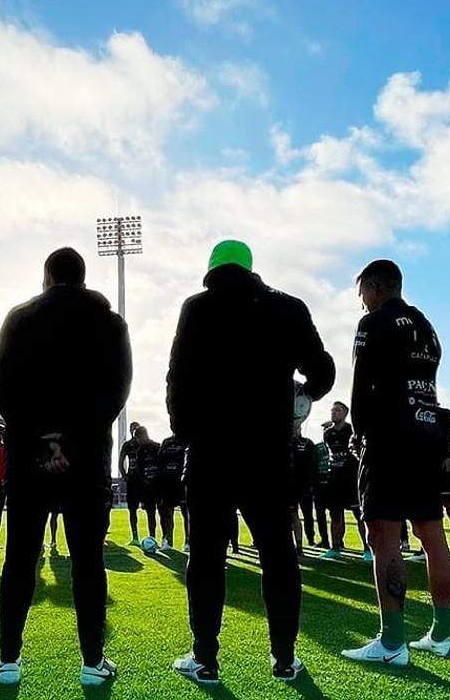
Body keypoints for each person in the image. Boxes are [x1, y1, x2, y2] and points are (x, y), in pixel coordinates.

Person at [168, 240, 334, 684]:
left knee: (206, 558)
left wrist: (186, 432)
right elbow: (322, 370)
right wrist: (304, 397)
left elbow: (177, 377)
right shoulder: (288, 308)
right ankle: (285, 659)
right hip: (267, 454)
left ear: (212, 268)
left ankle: (205, 658)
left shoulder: (196, 308)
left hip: (210, 453)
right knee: (278, 557)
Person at [0, 247, 132, 687]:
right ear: (83, 278)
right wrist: (70, 440)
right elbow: (117, 391)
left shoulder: (19, 318)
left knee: (20, 558)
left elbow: (4, 388)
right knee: (88, 561)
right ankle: (93, 662)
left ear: (48, 276)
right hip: (86, 456)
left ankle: (9, 660)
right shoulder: (110, 323)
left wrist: (44, 439)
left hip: (28, 455)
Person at [340, 259, 450, 665]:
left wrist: (358, 433)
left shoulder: (374, 322)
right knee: (432, 535)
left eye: (362, 294)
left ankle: (392, 644)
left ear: (375, 287)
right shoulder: (427, 326)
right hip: (427, 434)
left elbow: (360, 383)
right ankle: (441, 636)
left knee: (384, 537)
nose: (361, 302)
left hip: (389, 437)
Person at [407, 409, 450, 566]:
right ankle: (425, 548)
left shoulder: (443, 415)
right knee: (421, 512)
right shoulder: (411, 412)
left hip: (441, 470)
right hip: (420, 472)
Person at [320, 404, 368, 561]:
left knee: (359, 515)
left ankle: (368, 549)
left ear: (345, 414)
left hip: (351, 479)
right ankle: (335, 548)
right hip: (335, 479)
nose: (334, 413)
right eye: (332, 410)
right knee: (335, 514)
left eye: (338, 410)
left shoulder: (351, 431)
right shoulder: (328, 433)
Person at [121, 423, 157, 545]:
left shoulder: (149, 445)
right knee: (132, 509)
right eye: (132, 429)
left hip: (147, 481)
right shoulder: (128, 445)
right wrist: (124, 475)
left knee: (150, 510)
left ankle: (152, 537)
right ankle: (135, 537)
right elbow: (121, 460)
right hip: (133, 480)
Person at [156, 434, 190, 552]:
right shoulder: (166, 442)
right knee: (167, 514)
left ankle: (188, 542)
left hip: (182, 483)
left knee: (186, 514)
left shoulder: (187, 440)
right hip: (167, 484)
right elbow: (159, 461)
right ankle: (168, 541)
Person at [291, 428, 320, 557]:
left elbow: (313, 463)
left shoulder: (307, 443)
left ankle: (310, 538)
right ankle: (298, 545)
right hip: (291, 486)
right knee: (293, 515)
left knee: (308, 514)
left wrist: (312, 483)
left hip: (305, 486)